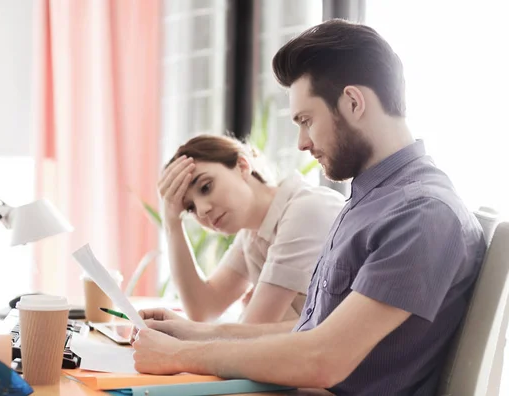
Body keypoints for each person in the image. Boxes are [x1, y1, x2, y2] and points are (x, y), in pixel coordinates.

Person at [131, 19, 486, 396]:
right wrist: (197, 333)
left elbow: (323, 358)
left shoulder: (422, 214)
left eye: (306, 120)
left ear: (353, 102)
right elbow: (313, 333)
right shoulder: (372, 201)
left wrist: (184, 354)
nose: (301, 143)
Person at [158, 134, 345, 324]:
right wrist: (171, 223)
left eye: (206, 187)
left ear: (242, 166)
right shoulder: (252, 234)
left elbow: (250, 332)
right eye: (190, 208)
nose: (202, 210)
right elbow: (203, 309)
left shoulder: (304, 210)